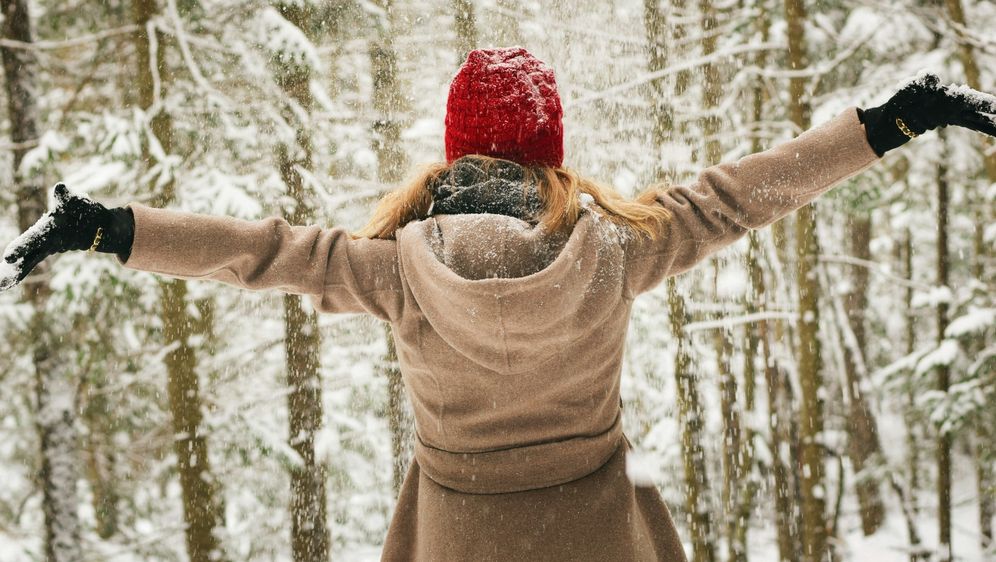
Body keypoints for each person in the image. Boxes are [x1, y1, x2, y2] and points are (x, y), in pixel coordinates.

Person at [3, 47, 996, 561]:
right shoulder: (617, 247)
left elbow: (260, 255)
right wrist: (892, 121)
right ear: (550, 148)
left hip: (460, 543)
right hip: (604, 539)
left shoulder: (393, 268)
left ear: (452, 151)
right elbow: (745, 192)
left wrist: (110, 228)